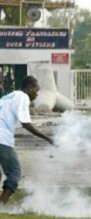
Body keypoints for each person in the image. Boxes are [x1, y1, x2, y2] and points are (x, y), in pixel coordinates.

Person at [0, 76, 53, 205]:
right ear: (29, 87)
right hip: (2, 138)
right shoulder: (23, 97)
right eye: (36, 90)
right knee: (14, 173)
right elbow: (26, 123)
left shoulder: (9, 96)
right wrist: (48, 138)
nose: (37, 94)